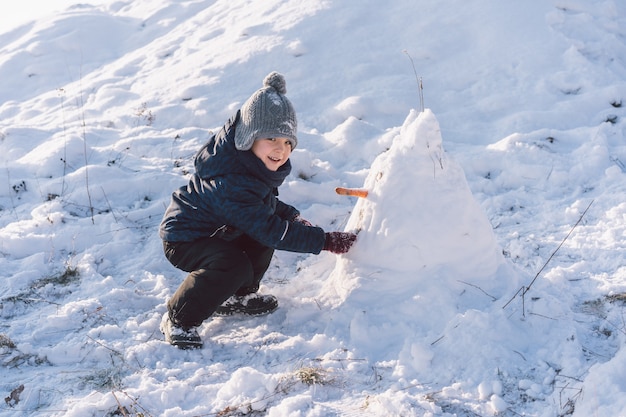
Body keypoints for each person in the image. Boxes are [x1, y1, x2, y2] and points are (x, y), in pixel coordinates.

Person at [158, 71, 357, 349]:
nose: (281, 149)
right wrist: (324, 241)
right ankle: (179, 318)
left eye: (288, 142)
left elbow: (263, 205)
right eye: (272, 139)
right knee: (233, 263)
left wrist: (290, 216)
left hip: (219, 230)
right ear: (248, 138)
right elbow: (269, 228)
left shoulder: (250, 167)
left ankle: (237, 296)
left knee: (258, 238)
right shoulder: (232, 181)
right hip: (186, 237)